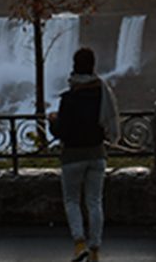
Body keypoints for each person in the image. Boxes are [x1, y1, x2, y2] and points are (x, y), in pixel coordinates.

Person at [47, 47, 120, 262]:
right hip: (97, 154)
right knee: (95, 201)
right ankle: (95, 248)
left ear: (74, 66)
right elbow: (107, 121)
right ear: (93, 66)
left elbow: (61, 130)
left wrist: (53, 122)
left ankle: (79, 244)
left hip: (72, 156)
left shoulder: (69, 98)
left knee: (71, 200)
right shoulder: (102, 93)